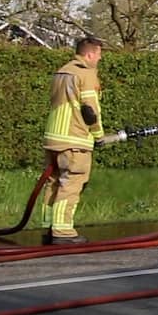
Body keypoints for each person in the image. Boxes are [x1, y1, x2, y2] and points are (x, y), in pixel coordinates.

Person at [41, 37, 107, 244]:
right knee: (71, 183)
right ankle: (63, 232)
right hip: (75, 139)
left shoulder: (62, 72)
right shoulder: (86, 74)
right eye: (98, 54)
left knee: (53, 183)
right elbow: (90, 110)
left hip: (53, 137)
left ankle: (49, 227)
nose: (100, 58)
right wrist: (98, 135)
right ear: (89, 54)